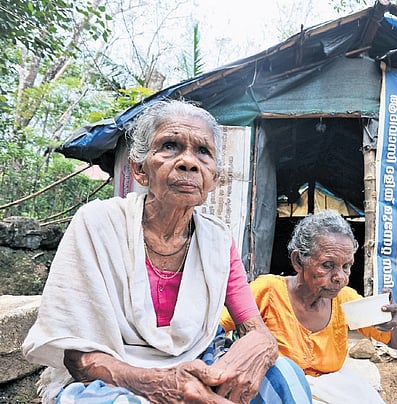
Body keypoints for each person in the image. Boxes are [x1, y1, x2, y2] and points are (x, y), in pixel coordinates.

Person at [22, 99, 311, 404]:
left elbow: (255, 329)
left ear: (214, 178)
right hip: (115, 373)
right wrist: (154, 383)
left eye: (203, 151)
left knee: (285, 376)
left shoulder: (217, 239)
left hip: (199, 362)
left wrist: (254, 351)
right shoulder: (98, 224)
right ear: (140, 169)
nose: (188, 162)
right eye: (170, 146)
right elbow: (77, 359)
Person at [220, 210, 397, 403]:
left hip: (331, 390)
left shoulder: (346, 300)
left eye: (346, 266)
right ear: (297, 261)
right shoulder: (268, 290)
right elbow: (215, 328)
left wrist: (395, 322)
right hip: (277, 390)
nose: (340, 277)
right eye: (327, 265)